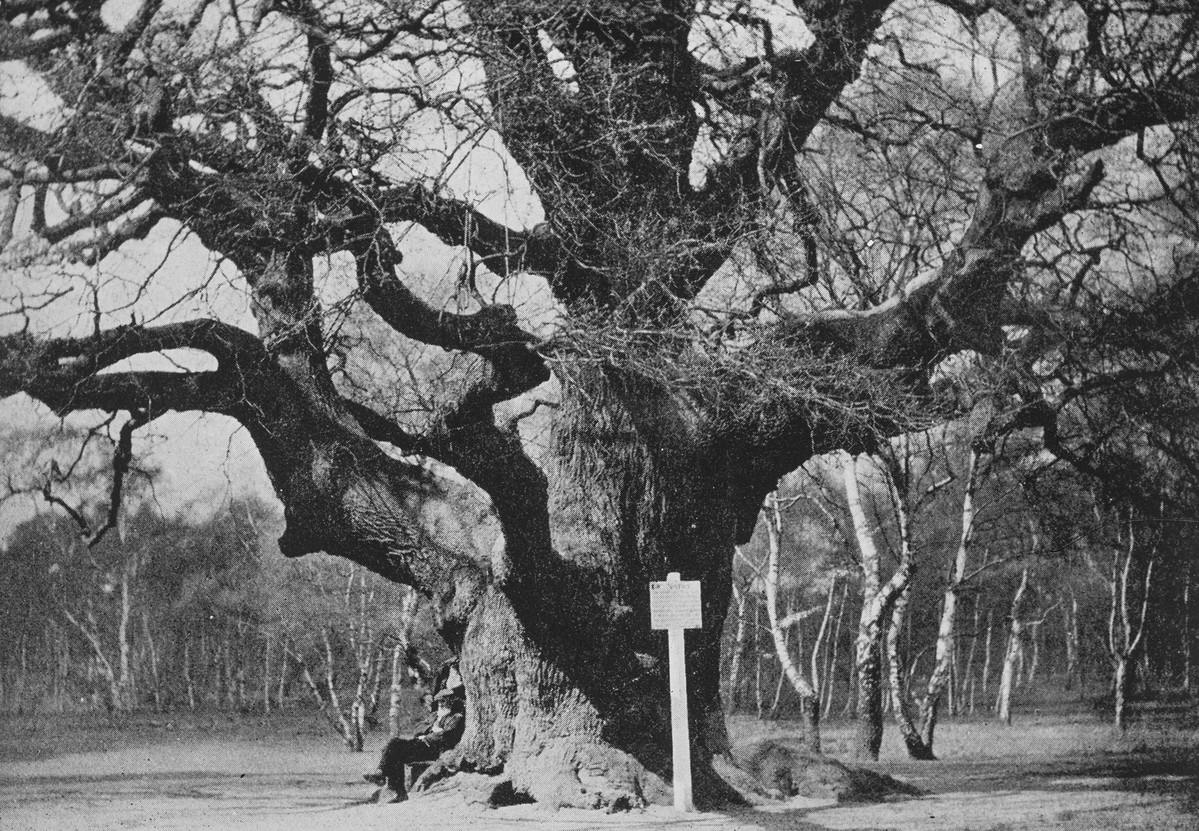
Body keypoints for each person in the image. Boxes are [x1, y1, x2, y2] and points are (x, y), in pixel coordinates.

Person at [365, 688, 465, 802]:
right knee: (394, 749)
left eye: (445, 701)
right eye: (440, 701)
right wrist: (432, 729)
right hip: (422, 744)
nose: (442, 704)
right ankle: (398, 791)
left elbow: (446, 735)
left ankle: (381, 775)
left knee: (395, 745)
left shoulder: (455, 717)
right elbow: (417, 728)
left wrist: (427, 735)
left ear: (452, 701)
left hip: (433, 749)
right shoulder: (434, 715)